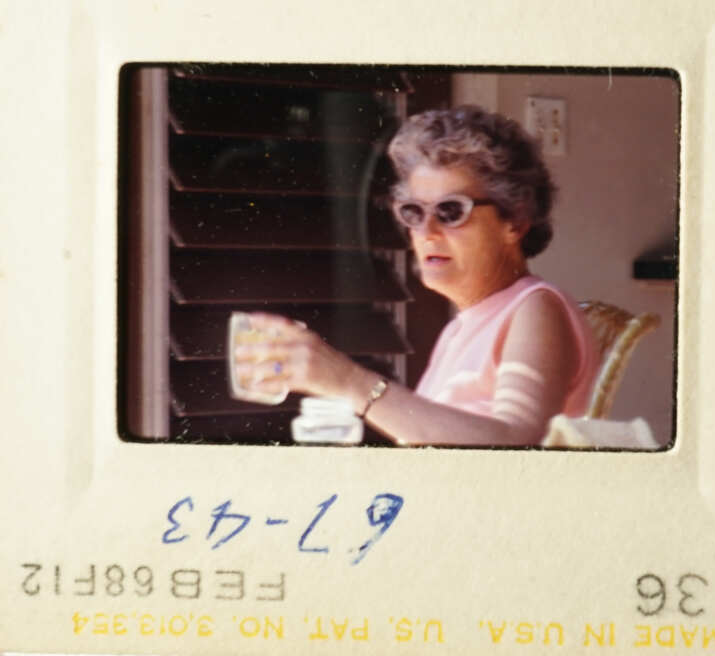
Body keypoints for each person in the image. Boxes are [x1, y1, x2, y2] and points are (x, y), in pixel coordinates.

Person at [232, 106, 598, 446]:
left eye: (451, 211)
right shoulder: (464, 324)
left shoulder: (535, 308)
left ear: (515, 221)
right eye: (412, 212)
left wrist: (347, 380)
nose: (426, 231)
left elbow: (517, 444)